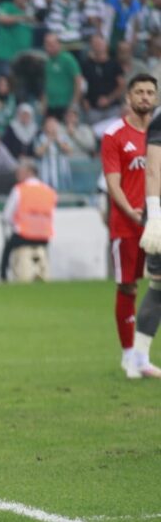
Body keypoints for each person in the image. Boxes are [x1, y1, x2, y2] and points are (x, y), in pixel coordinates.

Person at [102, 74, 156, 376]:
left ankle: (142, 354)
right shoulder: (114, 134)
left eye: (150, 92)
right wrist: (134, 214)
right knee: (128, 286)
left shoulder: (158, 132)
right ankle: (129, 355)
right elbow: (113, 184)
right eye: (139, 92)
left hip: (156, 221)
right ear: (128, 97)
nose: (145, 97)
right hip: (127, 224)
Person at [0, 159, 57, 282]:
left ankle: (3, 276)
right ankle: (42, 270)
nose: (17, 175)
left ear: (30, 172)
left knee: (7, 248)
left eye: (20, 172)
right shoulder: (49, 190)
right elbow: (51, 214)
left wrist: (15, 223)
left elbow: (7, 216)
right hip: (44, 236)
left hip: (24, 235)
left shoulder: (19, 189)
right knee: (42, 251)